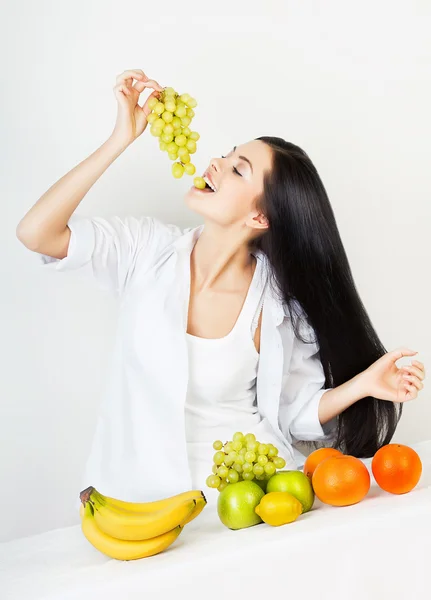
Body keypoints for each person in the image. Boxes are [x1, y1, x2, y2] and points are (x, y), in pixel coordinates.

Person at [16, 69, 426, 507]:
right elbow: (36, 233)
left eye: (237, 169)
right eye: (228, 155)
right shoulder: (145, 250)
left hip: (248, 498)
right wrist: (120, 139)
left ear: (260, 218)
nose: (215, 163)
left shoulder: (277, 304)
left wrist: (363, 385)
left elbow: (295, 411)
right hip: (141, 502)